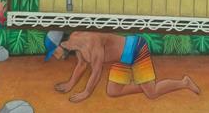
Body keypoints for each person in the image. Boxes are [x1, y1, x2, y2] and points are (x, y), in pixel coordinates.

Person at [52, 32, 200, 103]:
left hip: (136, 50)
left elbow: (96, 71)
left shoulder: (91, 42)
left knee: (152, 93)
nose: (54, 56)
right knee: (113, 91)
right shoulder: (76, 43)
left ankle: (184, 83)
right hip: (121, 58)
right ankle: (145, 84)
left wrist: (86, 92)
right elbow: (82, 65)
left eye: (53, 52)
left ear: (62, 44)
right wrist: (70, 84)